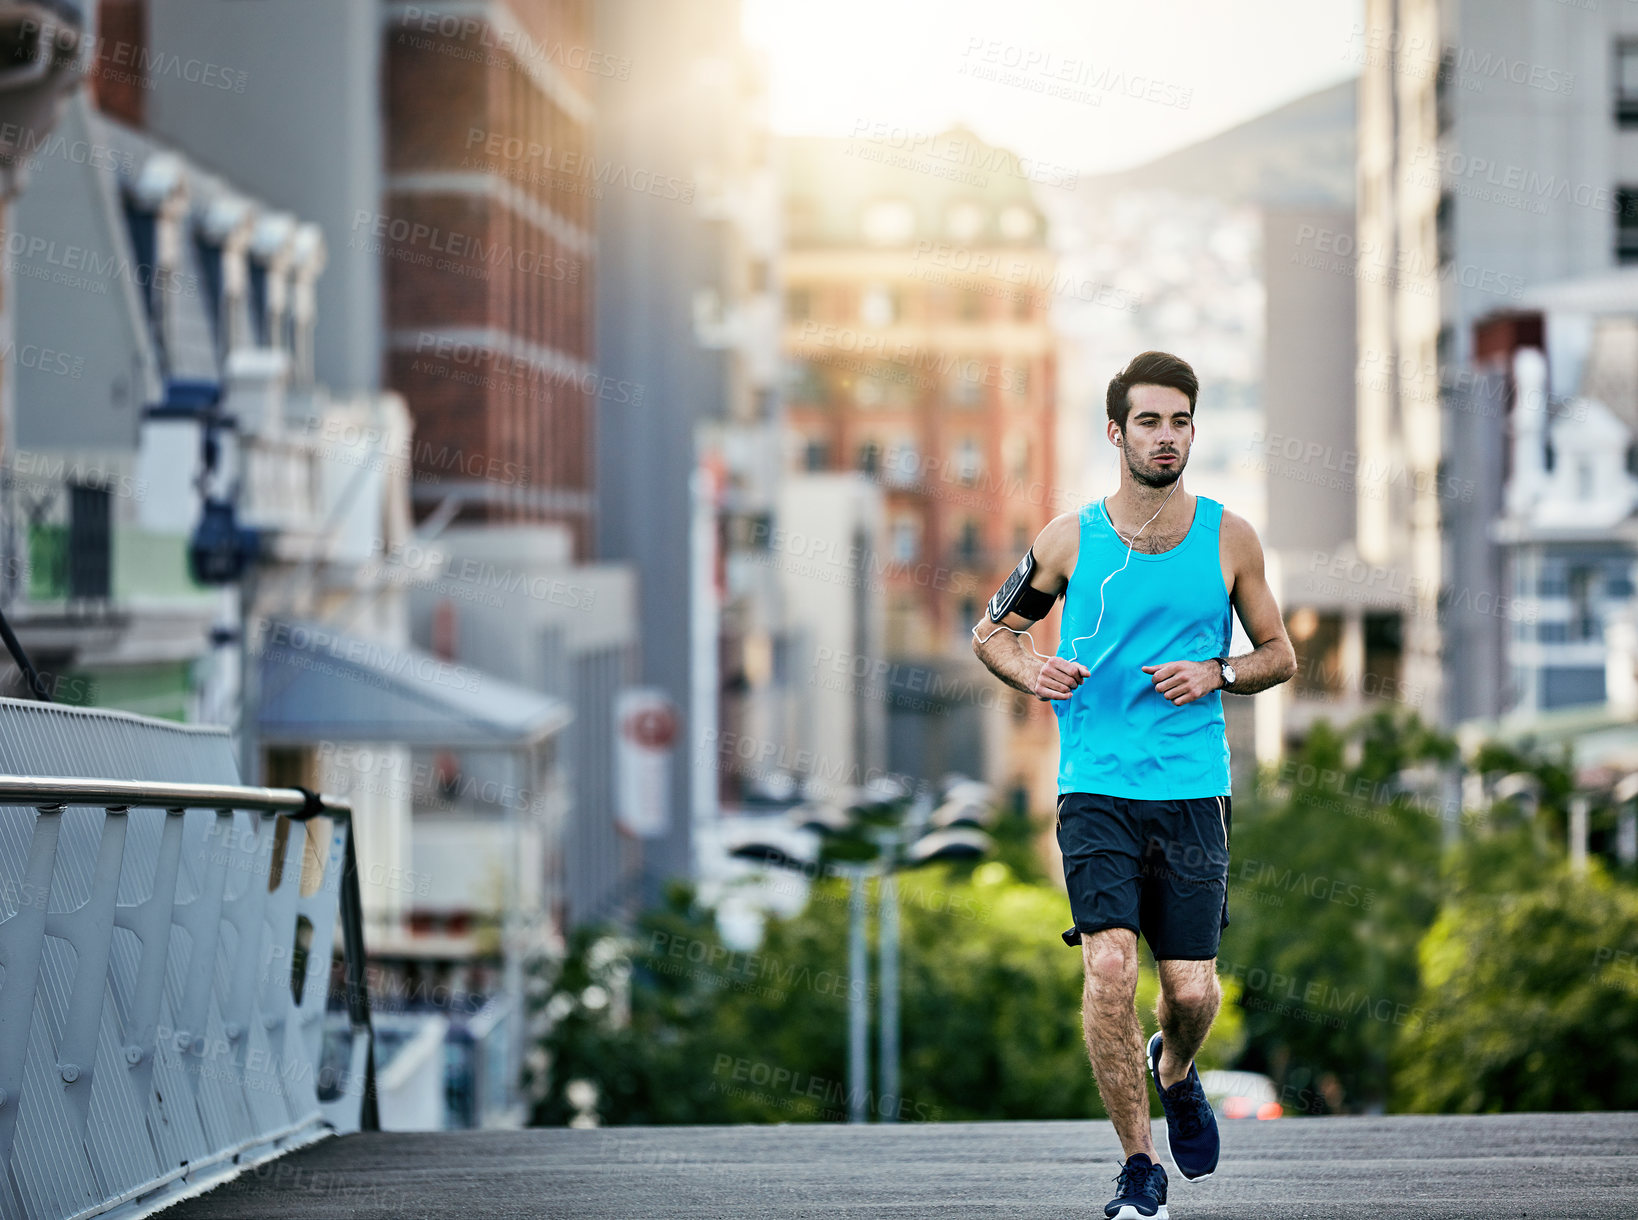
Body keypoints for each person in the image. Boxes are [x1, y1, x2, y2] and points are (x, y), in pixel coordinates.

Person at [972, 351, 1296, 1220]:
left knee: (1191, 989)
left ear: (1194, 430)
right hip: (1096, 788)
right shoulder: (1070, 538)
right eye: (1149, 421)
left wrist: (1218, 673)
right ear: (1116, 432)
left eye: (1180, 421)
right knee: (1110, 968)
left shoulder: (1230, 537)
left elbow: (1281, 655)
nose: (1166, 436)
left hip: (1193, 788)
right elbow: (991, 633)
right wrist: (1030, 671)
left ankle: (1177, 1067)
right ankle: (1138, 1165)